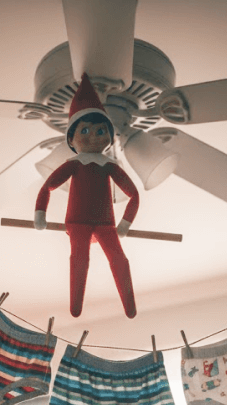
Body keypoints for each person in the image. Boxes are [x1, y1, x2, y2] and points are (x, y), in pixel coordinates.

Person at [34, 73, 139, 318]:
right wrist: (40, 213)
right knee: (79, 262)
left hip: (105, 224)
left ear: (109, 137)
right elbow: (47, 186)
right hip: (79, 223)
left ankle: (129, 305)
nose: (93, 135)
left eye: (100, 130)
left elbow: (133, 194)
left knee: (119, 260)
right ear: (72, 138)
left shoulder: (109, 165)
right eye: (86, 130)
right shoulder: (74, 164)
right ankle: (76, 305)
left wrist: (124, 223)